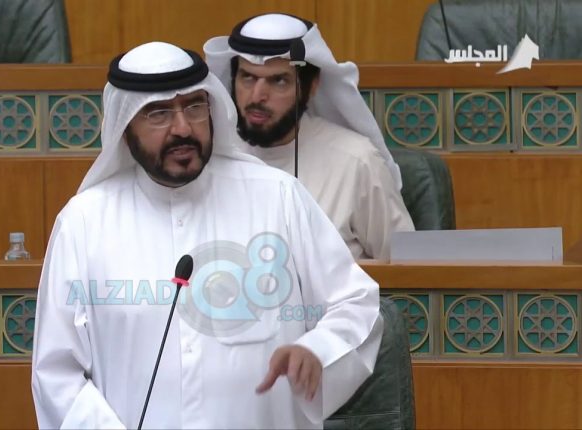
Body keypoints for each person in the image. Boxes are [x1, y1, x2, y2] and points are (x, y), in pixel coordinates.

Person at [31, 41, 383, 429]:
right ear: (125, 128)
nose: (183, 128)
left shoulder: (278, 197)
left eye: (195, 107)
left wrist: (319, 350)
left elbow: (356, 302)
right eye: (159, 114)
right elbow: (56, 373)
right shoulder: (84, 223)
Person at [204, 13, 415, 260]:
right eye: (247, 77)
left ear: (312, 85)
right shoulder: (211, 156)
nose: (257, 96)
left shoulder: (356, 162)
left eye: (278, 81)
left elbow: (408, 268)